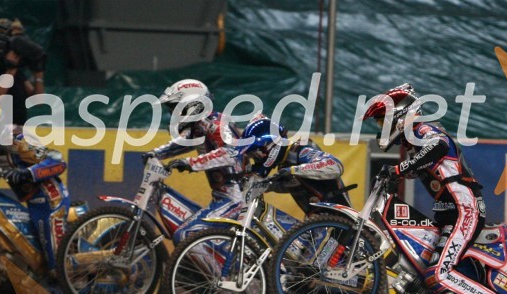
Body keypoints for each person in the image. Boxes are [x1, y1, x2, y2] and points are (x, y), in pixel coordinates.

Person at [362, 84, 507, 294]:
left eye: (383, 120)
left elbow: (439, 146)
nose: (381, 127)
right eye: (379, 122)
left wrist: (398, 170)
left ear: (401, 114)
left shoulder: (424, 130)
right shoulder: (412, 143)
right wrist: (395, 175)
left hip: (465, 210)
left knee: (439, 274)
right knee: (427, 268)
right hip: (449, 214)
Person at [0, 99, 69, 273]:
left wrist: (28, 173)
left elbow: (57, 161)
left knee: (56, 268)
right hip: (33, 201)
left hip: (50, 200)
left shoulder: (17, 140)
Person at [142, 79, 243, 244]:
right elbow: (180, 144)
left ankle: (216, 270)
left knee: (186, 235)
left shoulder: (217, 124)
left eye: (176, 109)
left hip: (237, 198)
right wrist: (155, 153)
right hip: (222, 196)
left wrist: (190, 163)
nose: (173, 115)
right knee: (186, 232)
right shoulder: (198, 126)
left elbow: (231, 154)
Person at [240, 116, 352, 212]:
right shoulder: (284, 164)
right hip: (317, 223)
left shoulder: (300, 149)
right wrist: (263, 185)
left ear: (270, 145)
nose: (259, 159)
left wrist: (293, 170)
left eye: (257, 153)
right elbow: (289, 185)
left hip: (340, 221)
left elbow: (335, 165)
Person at [0, 18, 46, 126]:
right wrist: (11, 70)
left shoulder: (16, 67)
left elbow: (37, 101)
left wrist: (38, 75)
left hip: (17, 129)